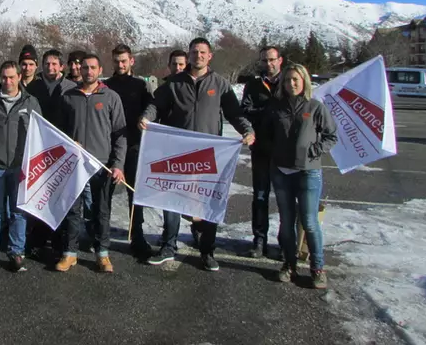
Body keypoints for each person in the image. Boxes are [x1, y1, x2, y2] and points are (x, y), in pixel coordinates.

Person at [140, 38, 254, 272]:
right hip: (177, 153)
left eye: (202, 52)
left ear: (209, 56)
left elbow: (234, 112)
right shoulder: (174, 83)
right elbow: (156, 105)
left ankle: (207, 251)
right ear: (189, 55)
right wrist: (146, 117)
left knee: (205, 202)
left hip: (207, 156)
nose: (198, 56)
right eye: (194, 52)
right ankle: (168, 245)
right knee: (171, 199)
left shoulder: (219, 84)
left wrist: (247, 129)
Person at [261, 63, 337, 289]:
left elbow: (331, 136)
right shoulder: (275, 108)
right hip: (282, 172)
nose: (291, 84)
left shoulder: (315, 107)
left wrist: (314, 150)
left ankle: (318, 268)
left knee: (310, 222)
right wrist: (274, 151)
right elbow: (265, 136)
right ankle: (289, 265)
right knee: (286, 223)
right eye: (287, 80)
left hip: (308, 172)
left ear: (303, 81)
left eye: (295, 79)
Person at [55, 54, 127, 273]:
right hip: (75, 164)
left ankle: (102, 254)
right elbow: (59, 132)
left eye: (92, 67)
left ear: (100, 69)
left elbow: (120, 134)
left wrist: (119, 164)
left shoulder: (111, 97)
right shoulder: (69, 97)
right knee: (73, 210)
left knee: (101, 210)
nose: (88, 71)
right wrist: (68, 142)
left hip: (101, 164)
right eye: (84, 67)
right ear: (79, 70)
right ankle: (70, 253)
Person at [0, 61, 42, 274]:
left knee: (18, 211)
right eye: (4, 77)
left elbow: (41, 132)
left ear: (20, 77)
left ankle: (16, 253)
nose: (8, 81)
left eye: (12, 77)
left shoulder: (30, 102)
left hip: (19, 166)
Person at [25, 49, 77, 258]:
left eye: (55, 64)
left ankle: (58, 241)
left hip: (64, 149)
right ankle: (38, 238)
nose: (51, 67)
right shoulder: (33, 87)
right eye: (47, 64)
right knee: (40, 193)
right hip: (39, 148)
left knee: (60, 195)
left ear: (62, 66)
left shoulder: (71, 88)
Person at [104, 44, 153, 259]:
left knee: (135, 193)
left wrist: (146, 119)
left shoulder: (141, 86)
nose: (120, 64)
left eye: (124, 60)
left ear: (131, 61)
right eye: (116, 61)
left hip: (133, 146)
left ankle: (137, 235)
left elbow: (151, 110)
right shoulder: (105, 86)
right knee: (105, 193)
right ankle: (101, 233)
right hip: (109, 148)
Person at [241, 46, 283, 258]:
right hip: (261, 149)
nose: (269, 64)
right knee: (260, 196)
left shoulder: (290, 82)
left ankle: (286, 241)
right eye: (265, 60)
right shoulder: (254, 85)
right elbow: (246, 110)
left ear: (280, 60)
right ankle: (259, 239)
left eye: (272, 60)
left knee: (286, 198)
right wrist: (269, 112)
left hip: (286, 151)